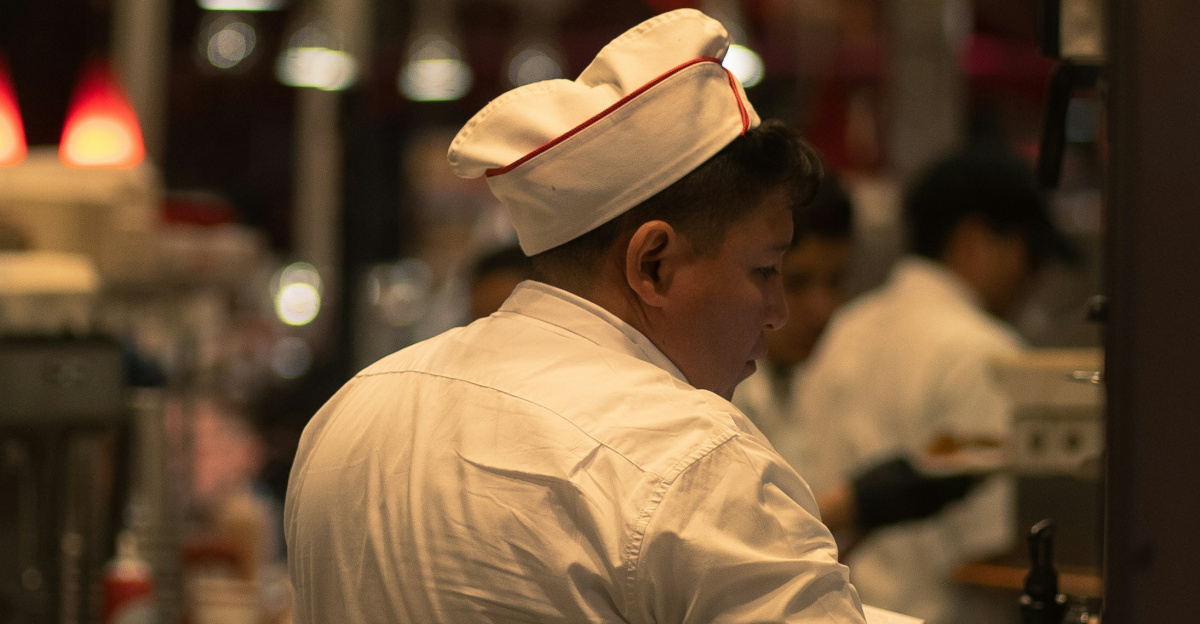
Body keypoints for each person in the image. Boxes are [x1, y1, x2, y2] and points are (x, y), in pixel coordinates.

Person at [285, 9, 866, 624]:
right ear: (655, 264)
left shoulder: (351, 412)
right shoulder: (695, 461)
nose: (776, 314)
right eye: (766, 272)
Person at [796, 148, 1078, 624]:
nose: (1033, 279)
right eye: (1028, 256)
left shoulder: (847, 326)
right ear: (973, 241)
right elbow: (994, 551)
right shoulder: (987, 352)